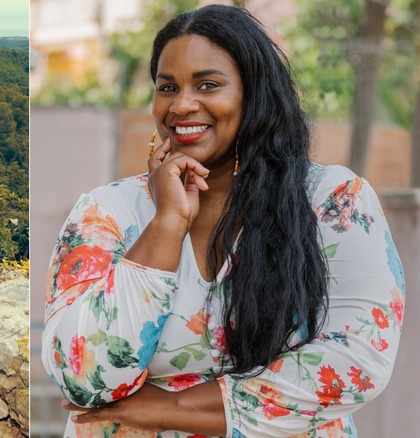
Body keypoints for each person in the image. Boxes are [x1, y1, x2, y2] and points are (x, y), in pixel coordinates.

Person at [41, 5, 404, 437]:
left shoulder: (333, 202)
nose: (182, 104)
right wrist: (167, 224)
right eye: (167, 86)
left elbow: (357, 361)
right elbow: (82, 377)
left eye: (207, 84)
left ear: (254, 95)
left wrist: (169, 407)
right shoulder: (106, 212)